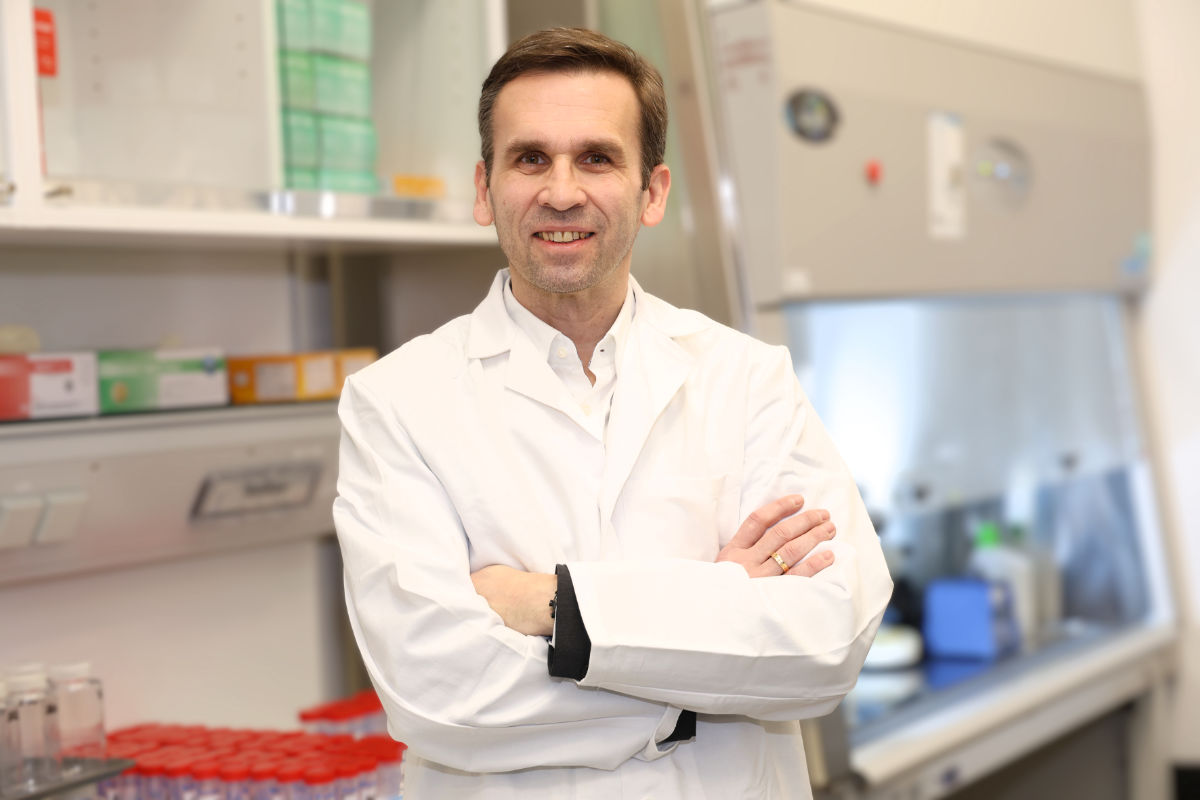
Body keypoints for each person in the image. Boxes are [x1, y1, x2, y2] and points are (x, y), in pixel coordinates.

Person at [333, 27, 892, 799]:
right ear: (484, 189)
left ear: (652, 192)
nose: (562, 192)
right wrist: (707, 678)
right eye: (531, 158)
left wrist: (554, 607)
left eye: (596, 158)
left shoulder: (747, 379)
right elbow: (441, 693)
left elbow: (828, 641)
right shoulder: (396, 401)